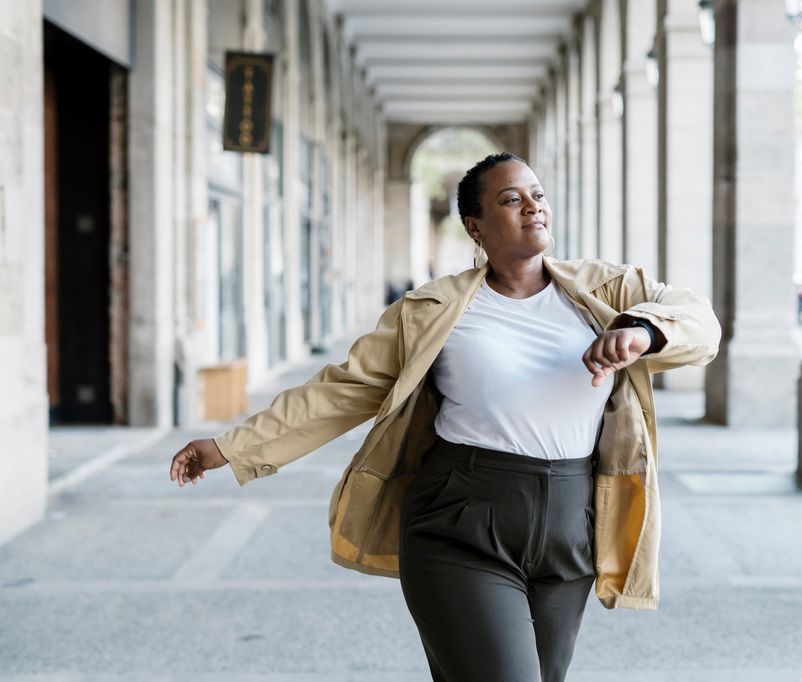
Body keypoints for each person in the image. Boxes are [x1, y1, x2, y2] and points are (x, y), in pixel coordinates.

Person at [169, 152, 721, 682]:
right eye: (511, 199)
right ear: (474, 225)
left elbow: (701, 324)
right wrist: (229, 448)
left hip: (571, 526)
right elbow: (341, 389)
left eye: (538, 195)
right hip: (461, 519)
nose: (533, 207)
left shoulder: (609, 290)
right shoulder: (433, 309)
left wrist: (644, 330)